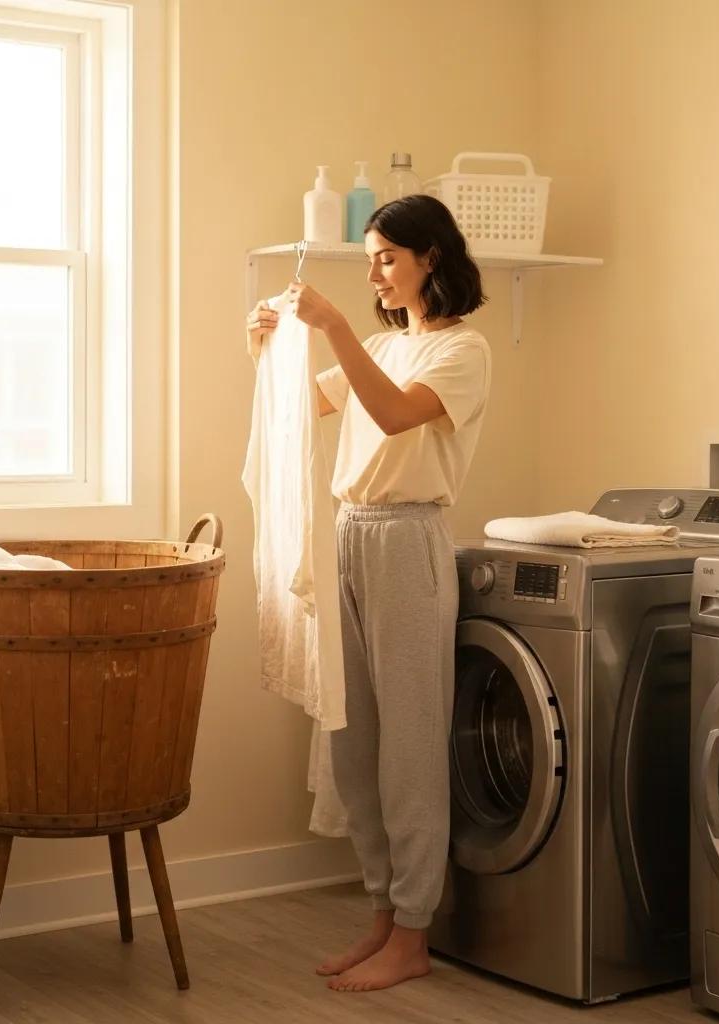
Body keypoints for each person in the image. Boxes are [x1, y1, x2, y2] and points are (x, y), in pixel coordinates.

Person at [245, 194, 491, 993]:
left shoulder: (464, 351)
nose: (375, 271)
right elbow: (294, 411)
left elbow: (389, 418)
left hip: (408, 543)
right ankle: (383, 917)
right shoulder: (382, 345)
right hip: (349, 533)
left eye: (387, 255)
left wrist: (333, 329)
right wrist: (264, 352)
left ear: (431, 259)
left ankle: (414, 933)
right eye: (370, 257)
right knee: (354, 745)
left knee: (410, 747)